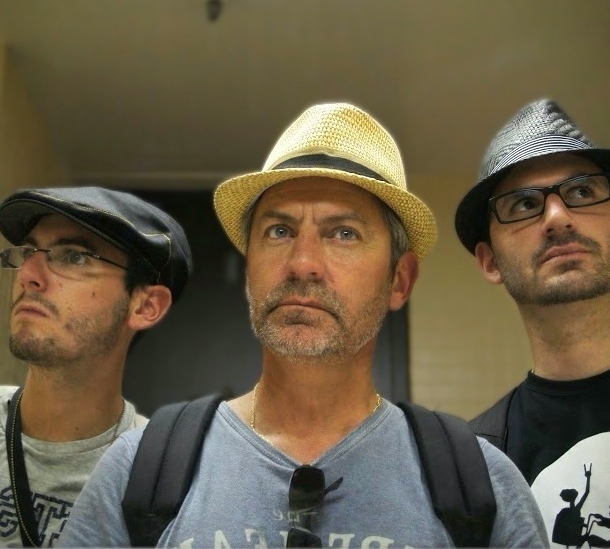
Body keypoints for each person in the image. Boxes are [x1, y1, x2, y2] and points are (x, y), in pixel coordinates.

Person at [60, 102, 547, 547]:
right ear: (249, 270)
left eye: (343, 233)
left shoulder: (481, 486)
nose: (303, 264)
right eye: (279, 231)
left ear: (399, 280)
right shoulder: (139, 469)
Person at [0, 186, 193, 546]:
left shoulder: (163, 482)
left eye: (74, 257)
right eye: (27, 252)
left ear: (145, 306)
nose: (27, 274)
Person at [455, 97, 610, 542]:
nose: (557, 217)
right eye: (523, 204)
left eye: (582, 192)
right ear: (490, 262)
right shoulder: (475, 465)